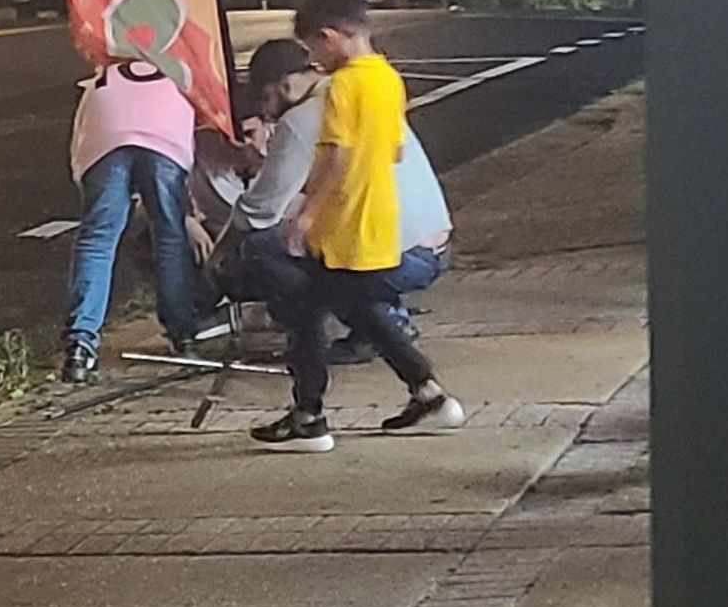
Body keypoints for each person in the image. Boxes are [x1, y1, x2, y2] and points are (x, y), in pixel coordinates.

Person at [251, 0, 464, 450]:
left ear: (329, 36)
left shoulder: (342, 86)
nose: (313, 58)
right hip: (380, 221)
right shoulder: (388, 79)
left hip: (344, 225)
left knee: (310, 314)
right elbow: (392, 151)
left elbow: (336, 158)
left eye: (312, 48)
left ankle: (310, 417)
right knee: (358, 308)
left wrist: (306, 213)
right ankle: (426, 391)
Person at [229, 35, 452, 362]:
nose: (267, 114)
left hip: (392, 254)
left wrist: (220, 251)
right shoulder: (361, 89)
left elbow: (259, 211)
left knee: (263, 245)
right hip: (436, 244)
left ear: (285, 86)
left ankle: (352, 330)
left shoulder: (301, 118)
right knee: (324, 235)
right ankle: (383, 319)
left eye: (266, 99)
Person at [60, 58, 200, 384]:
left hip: (105, 137)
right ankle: (183, 336)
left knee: (98, 239)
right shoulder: (179, 71)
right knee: (169, 235)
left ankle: (80, 347)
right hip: (165, 139)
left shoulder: (104, 75)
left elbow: (80, 137)